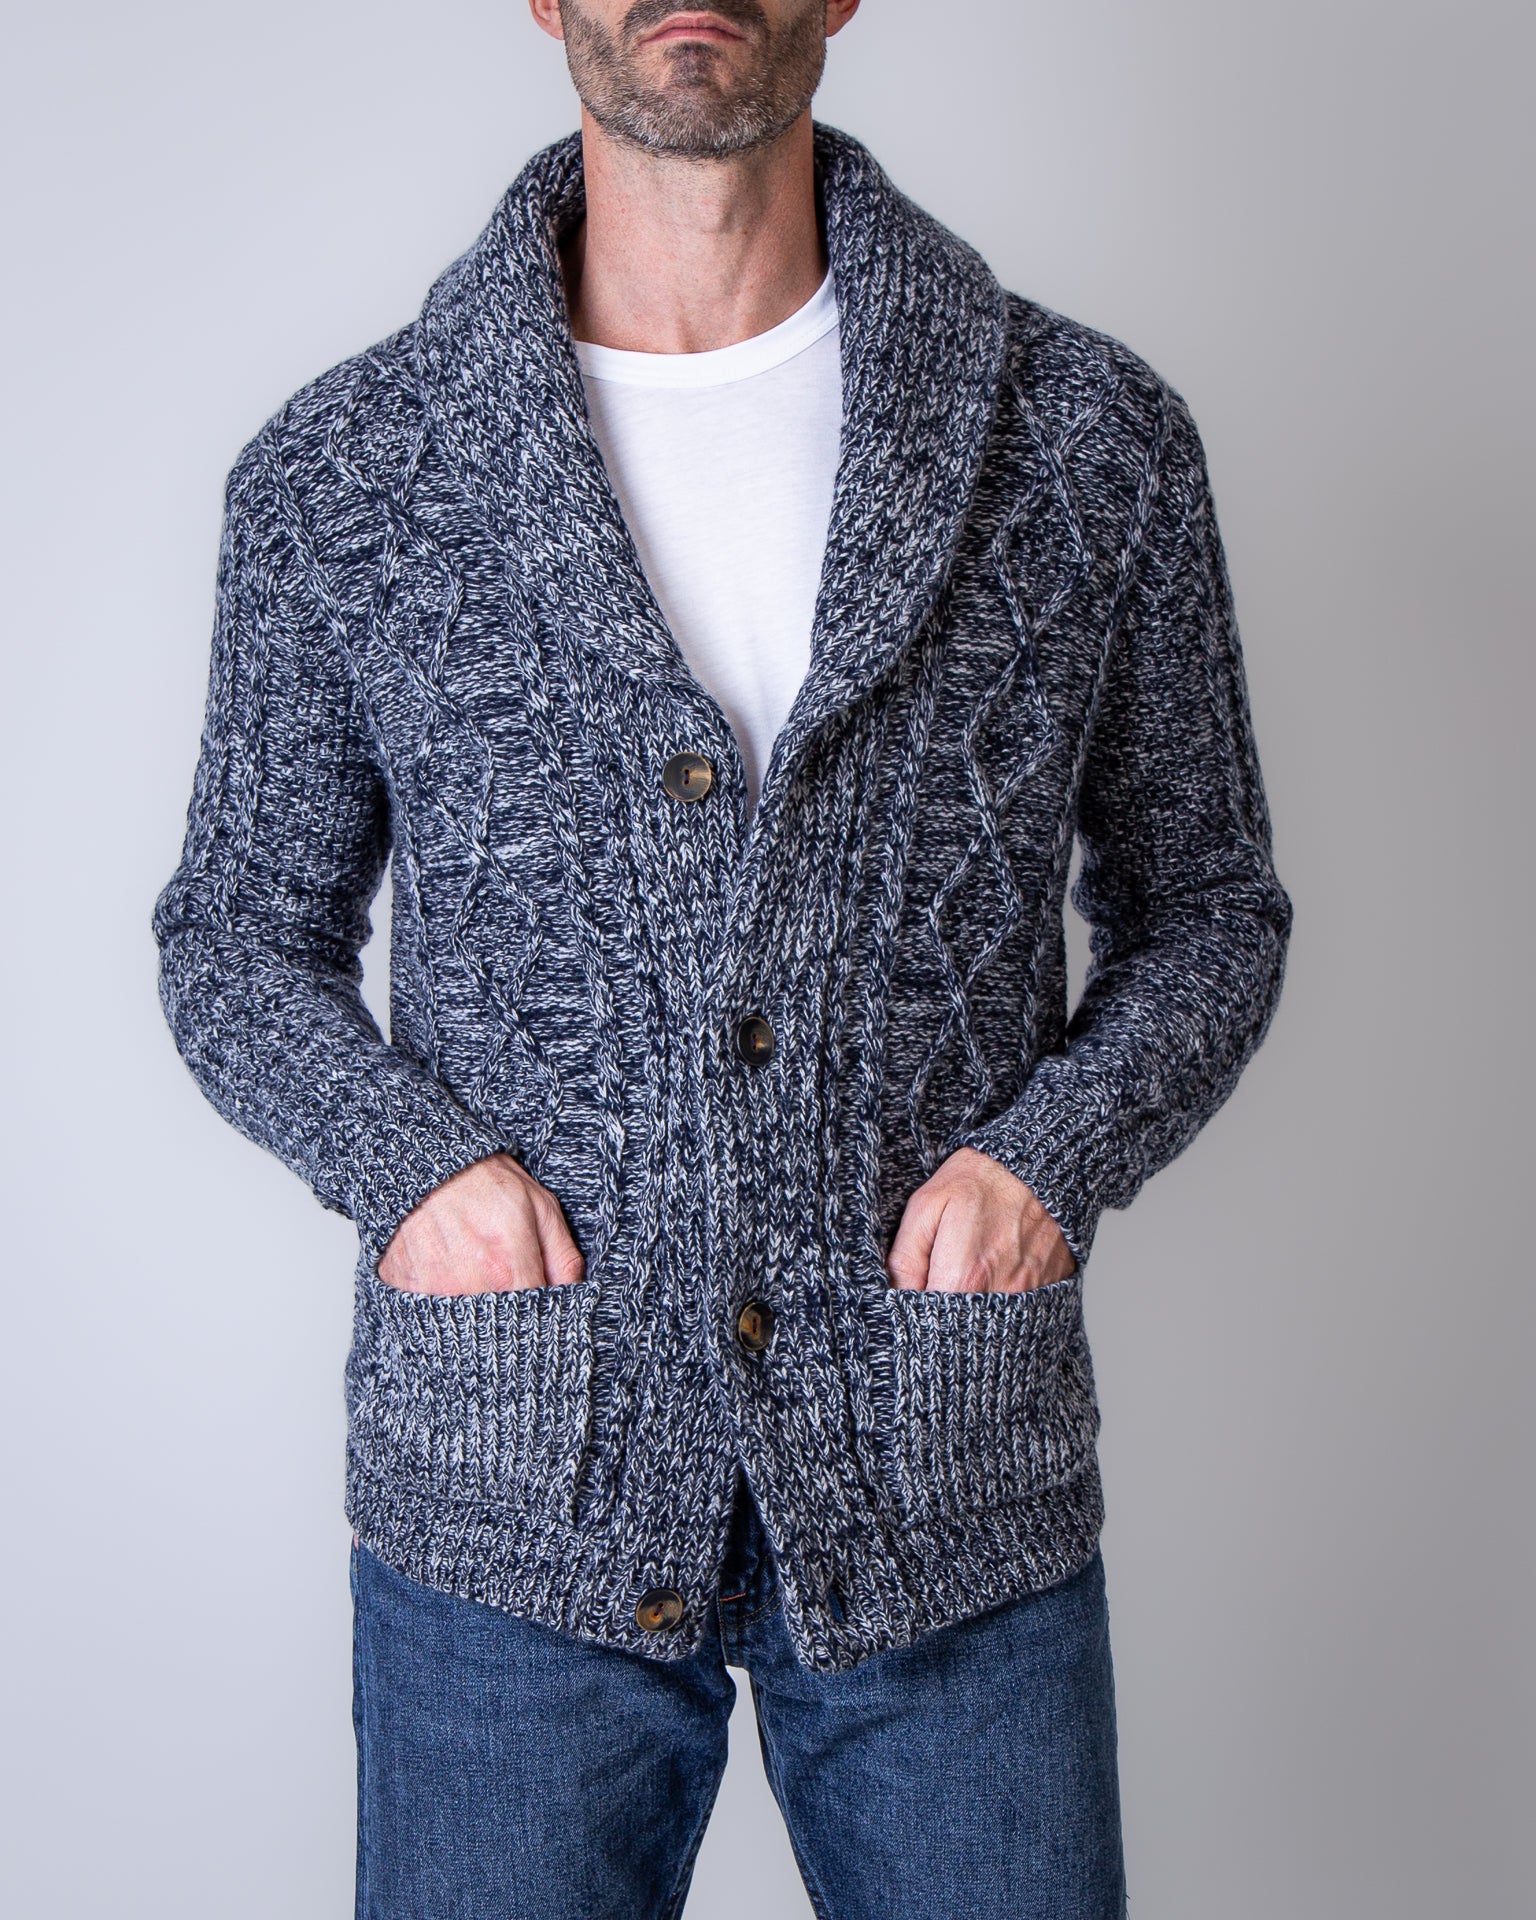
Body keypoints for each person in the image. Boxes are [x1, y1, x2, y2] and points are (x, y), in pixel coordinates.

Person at [153, 3, 1292, 1914]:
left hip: (943, 1473)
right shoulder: (350, 471)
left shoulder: (1083, 439)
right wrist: (414, 1173)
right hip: (521, 1482)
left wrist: (1051, 1160)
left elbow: (1212, 909)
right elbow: (234, 939)